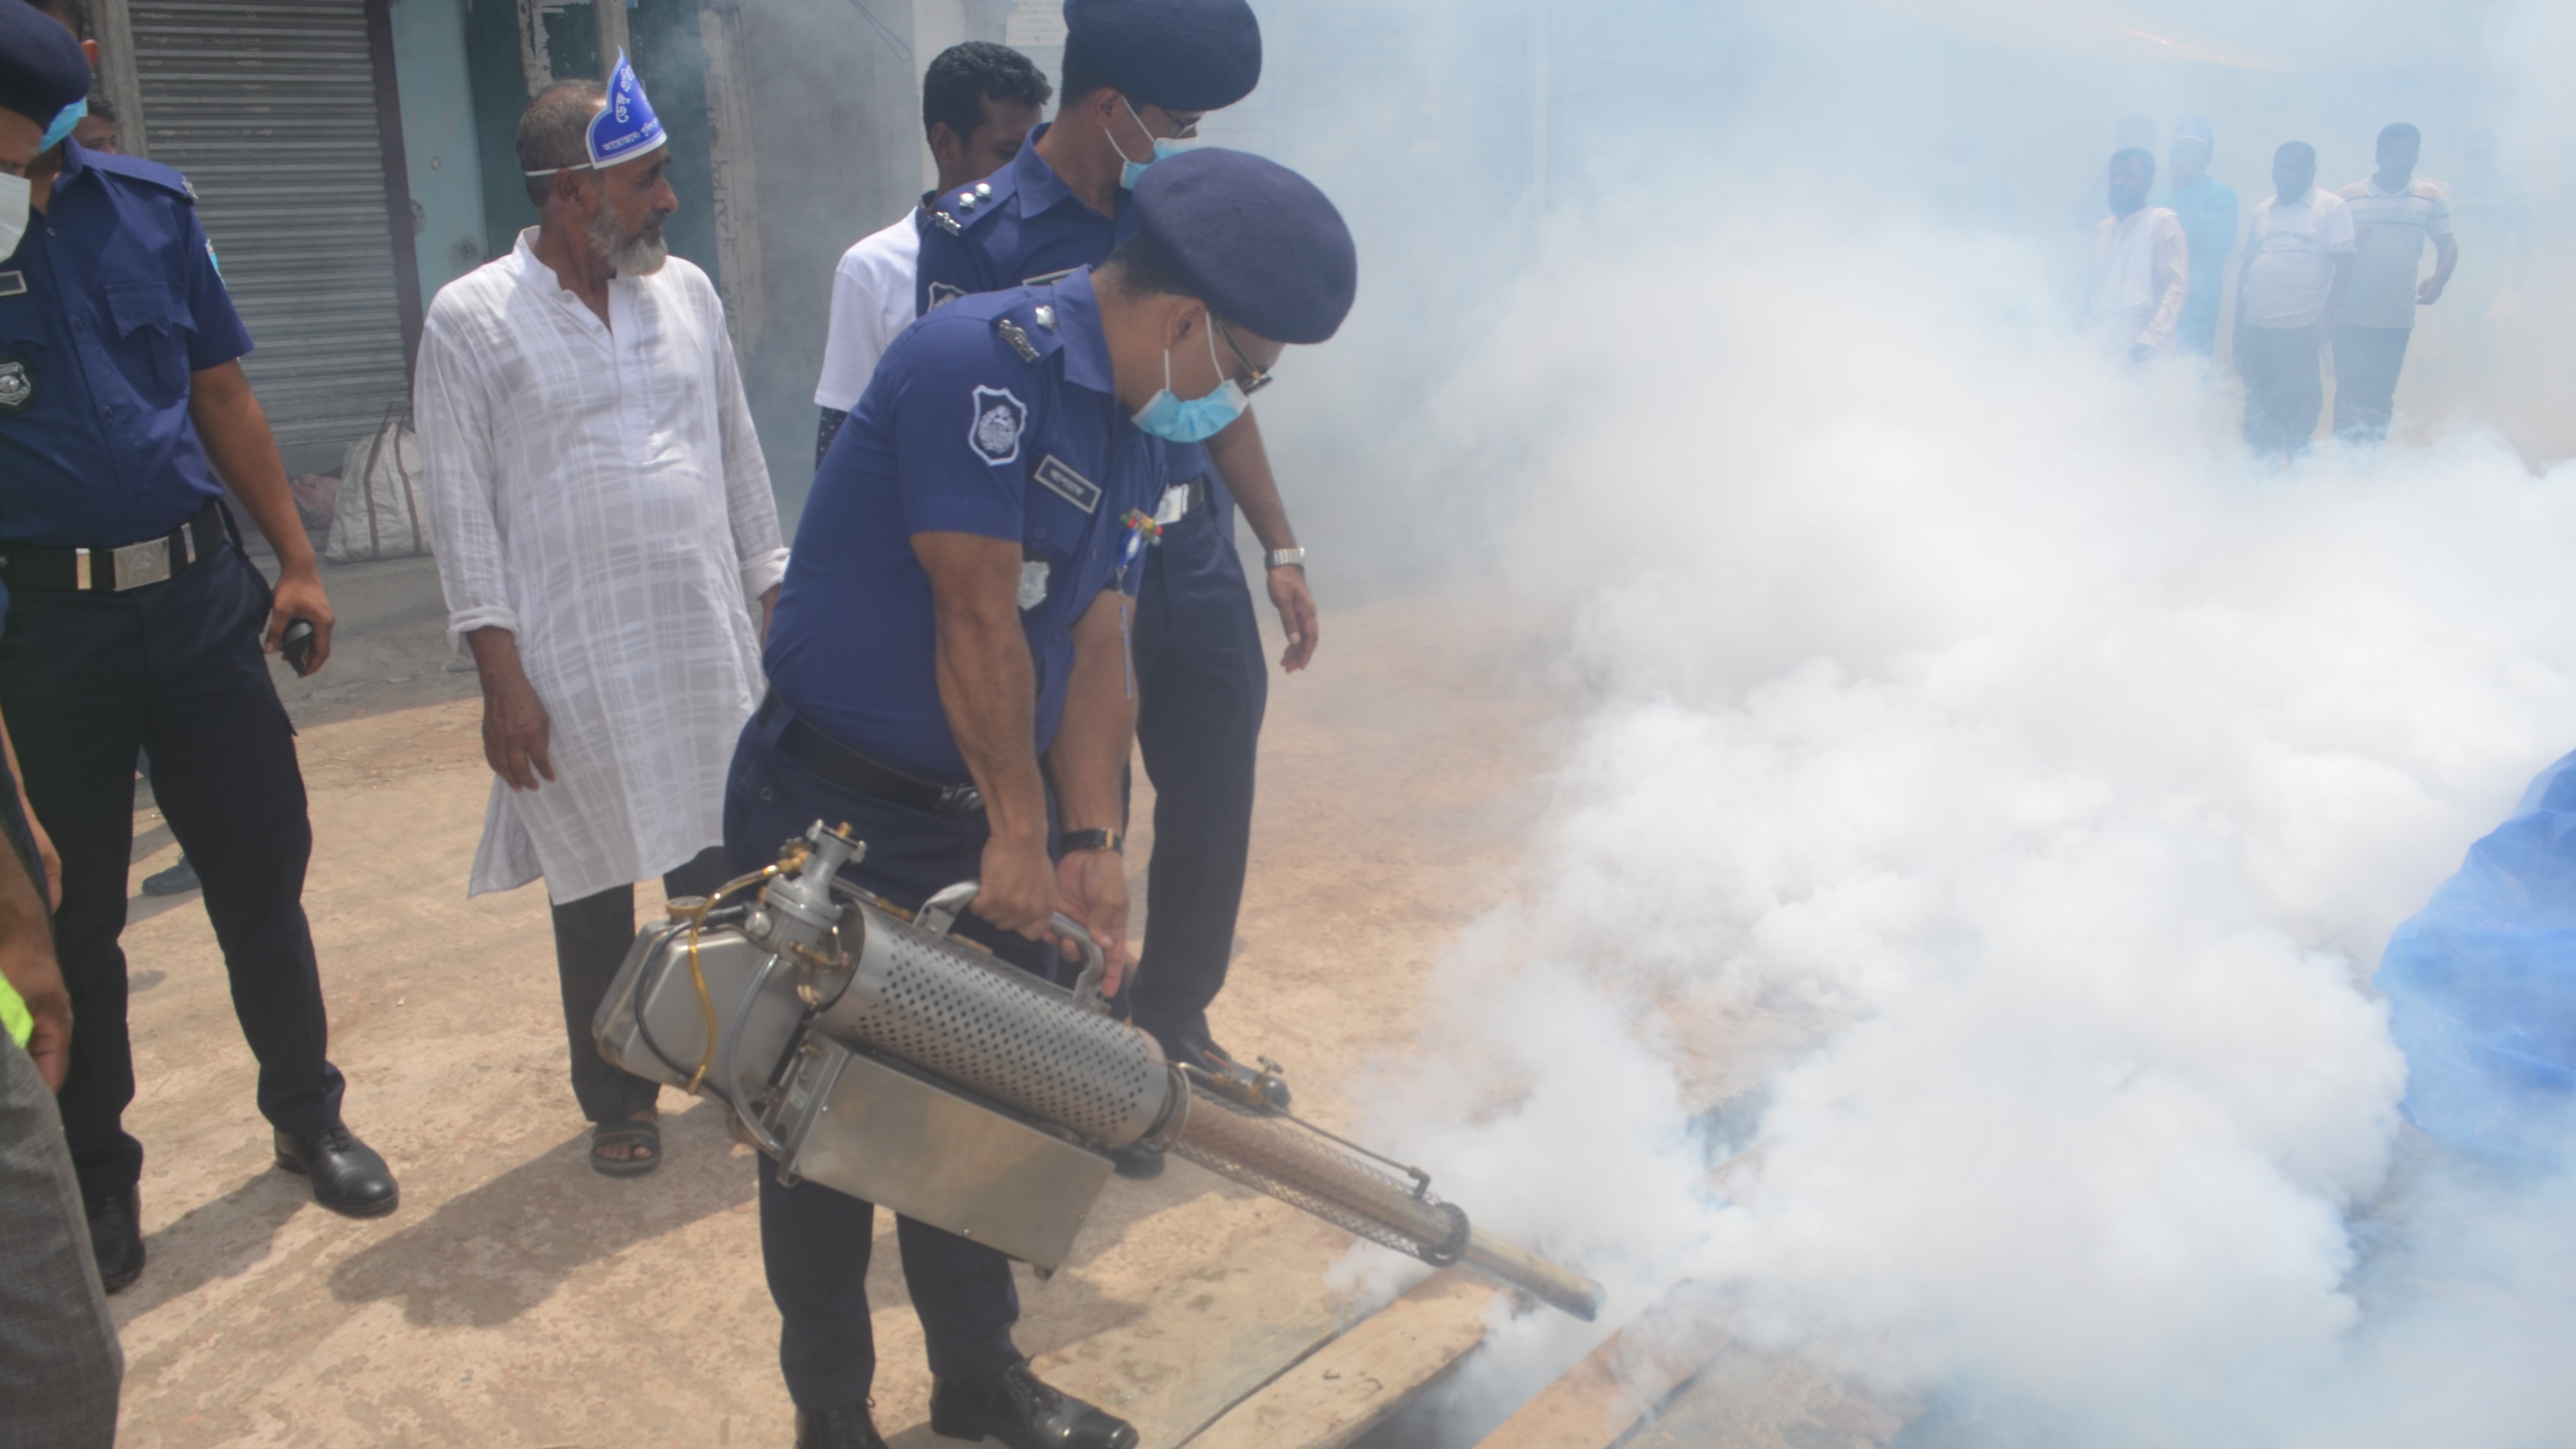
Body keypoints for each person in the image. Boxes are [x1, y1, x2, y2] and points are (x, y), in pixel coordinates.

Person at [731, 145, 1356, 1449]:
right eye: (1244, 371)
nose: (1233, 398)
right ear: (1187, 323)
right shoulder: (979, 363)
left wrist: (1085, 837)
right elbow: (976, 617)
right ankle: (831, 1412)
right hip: (834, 804)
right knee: (815, 1120)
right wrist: (1017, 831)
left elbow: (1096, 647)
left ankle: (977, 1378)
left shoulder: (1136, 431)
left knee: (977, 1106)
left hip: (982, 805)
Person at [0, 0, 399, 1296]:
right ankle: (100, 1181)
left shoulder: (151, 208)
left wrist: (294, 557)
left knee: (257, 871)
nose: (40, 157)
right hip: (47, 626)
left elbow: (220, 391)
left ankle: (307, 1113)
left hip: (193, 599)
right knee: (83, 916)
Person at [916, 0, 1315, 1121]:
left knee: (1215, 786)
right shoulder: (978, 231)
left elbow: (1221, 379)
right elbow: (966, 420)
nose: (1183, 144)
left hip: (1182, 547)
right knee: (1090, 808)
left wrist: (1276, 539)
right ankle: (1095, 1054)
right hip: (1062, 569)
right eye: (1172, 121)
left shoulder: (1178, 213)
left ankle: (1174, 1025)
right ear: (1111, 110)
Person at [414, 63, 788, 1177]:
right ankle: (617, 1087)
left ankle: (731, 1065)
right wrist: (499, 672)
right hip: (568, 650)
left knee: (718, 870)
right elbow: (460, 510)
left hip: (697, 634)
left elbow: (738, 456)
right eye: (647, 178)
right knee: (591, 877)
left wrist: (775, 600)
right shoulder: (473, 317)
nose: (669, 199)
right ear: (574, 192)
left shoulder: (691, 294)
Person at [813, 41, 1049, 467]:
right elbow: (843, 434)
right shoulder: (873, 267)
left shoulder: (1051, 259)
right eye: (1008, 154)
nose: (1027, 176)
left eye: (1035, 156)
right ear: (946, 144)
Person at [2333, 122, 2457, 444]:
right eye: (2393, 154)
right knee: (2348, 393)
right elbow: (2326, 249)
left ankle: (2368, 467)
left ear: (2417, 156)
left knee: (2380, 396)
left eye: (2408, 155)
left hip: (2396, 318)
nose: (2400, 162)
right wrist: (2347, 239)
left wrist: (2439, 279)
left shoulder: (2430, 196)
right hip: (2348, 315)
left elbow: (2449, 245)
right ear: (2378, 155)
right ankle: (2340, 469)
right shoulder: (2348, 197)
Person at [2234, 141, 2355, 460]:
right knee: (2261, 414)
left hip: (2302, 328)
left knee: (2299, 416)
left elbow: (2345, 266)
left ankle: (2298, 491)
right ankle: (2263, 488)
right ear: (2273, 173)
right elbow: (2247, 269)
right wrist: (2239, 328)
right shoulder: (2262, 211)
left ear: (2311, 172)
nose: (2288, 175)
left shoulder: (2331, 207)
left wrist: (2329, 317)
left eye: (2297, 168)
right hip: (2259, 327)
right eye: (2282, 169)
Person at [2445, 129, 2532, 391]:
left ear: (2494, 157)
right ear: (2467, 158)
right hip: (2451, 273)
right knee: (2447, 334)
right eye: (2475, 156)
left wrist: (2521, 270)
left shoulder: (2510, 187)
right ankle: (2449, 388)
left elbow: (2527, 230)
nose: (2480, 161)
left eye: (2486, 155)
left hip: (2490, 274)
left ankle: (2484, 389)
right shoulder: (2453, 188)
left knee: (2485, 331)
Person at [2088, 146, 2189, 360]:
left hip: (2152, 351)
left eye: (2129, 175)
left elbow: (2177, 285)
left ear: (2148, 182)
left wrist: (2149, 341)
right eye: (2114, 176)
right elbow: (2100, 291)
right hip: (2110, 351)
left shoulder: (2162, 222)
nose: (2119, 182)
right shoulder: (2106, 229)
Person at [2160, 115, 2237, 356]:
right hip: (2157, 300)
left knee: (2192, 372)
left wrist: (2186, 192)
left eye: (2195, 149)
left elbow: (2214, 244)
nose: (2187, 156)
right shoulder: (2157, 196)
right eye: (2181, 148)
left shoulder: (2222, 196)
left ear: (2208, 158)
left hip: (2198, 304)